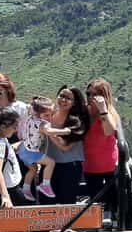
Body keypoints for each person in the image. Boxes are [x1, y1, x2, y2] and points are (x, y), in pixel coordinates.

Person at [40, 86, 89, 205]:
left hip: (69, 168)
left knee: (66, 205)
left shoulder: (77, 122)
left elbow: (65, 147)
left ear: (74, 103)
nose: (63, 99)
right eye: (61, 95)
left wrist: (49, 132)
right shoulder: (48, 115)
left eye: (68, 98)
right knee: (45, 204)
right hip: (48, 166)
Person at [18, 96, 72, 201]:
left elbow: (31, 107)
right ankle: (45, 185)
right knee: (50, 163)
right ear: (38, 114)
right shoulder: (42, 123)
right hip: (31, 153)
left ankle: (26, 188)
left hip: (24, 150)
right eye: (46, 115)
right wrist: (65, 131)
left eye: (51, 114)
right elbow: (49, 131)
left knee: (33, 169)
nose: (49, 118)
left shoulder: (31, 118)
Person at [84, 78, 121, 213]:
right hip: (89, 165)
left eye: (94, 95)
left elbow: (109, 131)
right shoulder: (85, 112)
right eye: (88, 94)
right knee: (95, 202)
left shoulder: (109, 113)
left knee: (112, 201)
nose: (90, 97)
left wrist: (103, 110)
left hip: (108, 166)